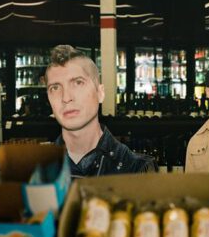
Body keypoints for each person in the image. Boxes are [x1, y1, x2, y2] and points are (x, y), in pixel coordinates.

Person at [45, 45, 156, 177]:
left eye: (78, 83)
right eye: (55, 88)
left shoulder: (136, 168)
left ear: (100, 93)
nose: (66, 97)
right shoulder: (32, 171)